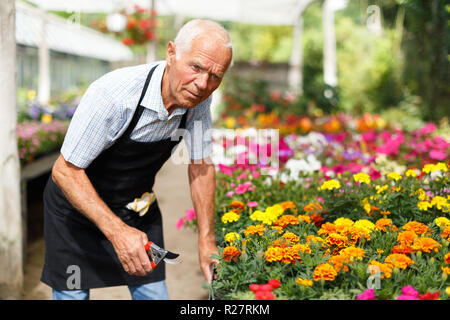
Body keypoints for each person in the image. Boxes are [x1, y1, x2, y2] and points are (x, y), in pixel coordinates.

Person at [40, 19, 233, 300]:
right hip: (75, 213)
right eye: (196, 67)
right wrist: (118, 233)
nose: (203, 84)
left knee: (154, 294)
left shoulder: (198, 100)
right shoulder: (114, 96)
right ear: (171, 54)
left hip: (135, 209)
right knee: (73, 294)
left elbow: (201, 165)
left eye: (216, 76)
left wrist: (206, 239)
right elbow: (65, 172)